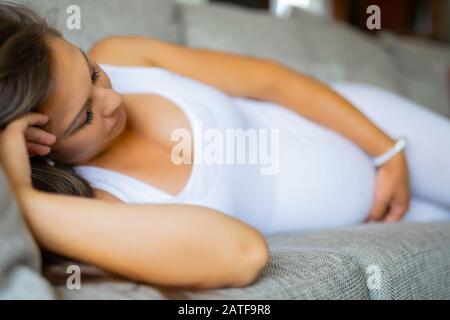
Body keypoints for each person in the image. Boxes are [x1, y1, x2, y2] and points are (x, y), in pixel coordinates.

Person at [0, 2, 449, 289]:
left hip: (376, 131)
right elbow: (241, 255)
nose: (113, 98)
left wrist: (387, 153)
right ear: (38, 146)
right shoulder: (101, 203)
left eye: (92, 72)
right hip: (372, 218)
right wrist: (24, 201)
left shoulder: (123, 52)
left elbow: (274, 81)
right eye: (86, 116)